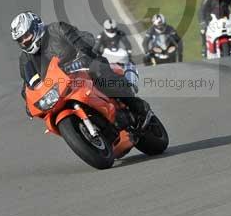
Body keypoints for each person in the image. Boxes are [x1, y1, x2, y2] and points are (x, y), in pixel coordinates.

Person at [11, 11, 152, 129]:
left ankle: (137, 107)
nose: (24, 41)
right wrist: (28, 102)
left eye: (26, 36)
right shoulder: (25, 59)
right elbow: (27, 84)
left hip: (82, 68)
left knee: (99, 73)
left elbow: (81, 39)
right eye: (20, 40)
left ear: (36, 27)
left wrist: (84, 53)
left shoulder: (57, 29)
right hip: (60, 89)